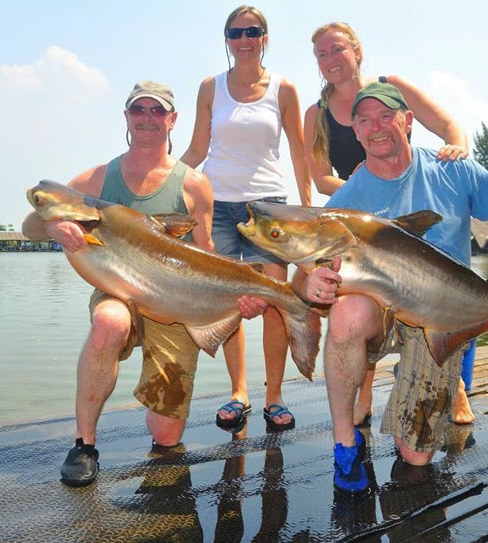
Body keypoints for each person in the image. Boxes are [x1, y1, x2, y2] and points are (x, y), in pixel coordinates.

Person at [300, 82, 488, 493]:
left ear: (408, 121)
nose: (376, 127)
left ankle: (421, 394)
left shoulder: (455, 168)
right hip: (382, 312)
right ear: (355, 133)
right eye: (365, 121)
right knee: (346, 313)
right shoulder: (346, 200)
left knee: (415, 454)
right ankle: (345, 443)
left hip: (441, 316)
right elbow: (309, 267)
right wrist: (310, 283)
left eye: (386, 116)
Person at [22, 81, 217, 487]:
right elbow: (29, 227)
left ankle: (161, 423)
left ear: (172, 120)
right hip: (117, 291)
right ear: (126, 118)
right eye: (138, 110)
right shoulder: (95, 180)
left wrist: (234, 301)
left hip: (173, 300)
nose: (147, 118)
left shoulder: (193, 183)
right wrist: (53, 224)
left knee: (166, 436)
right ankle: (84, 444)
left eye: (157, 111)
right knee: (108, 323)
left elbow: (208, 254)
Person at [303, 21, 475, 428]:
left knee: (445, 286)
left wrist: (457, 151)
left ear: (357, 51)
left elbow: (449, 126)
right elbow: (319, 177)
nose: (330, 60)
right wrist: (361, 186)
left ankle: (458, 386)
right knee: (362, 304)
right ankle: (363, 391)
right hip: (361, 220)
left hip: (416, 207)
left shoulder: (392, 86)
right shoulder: (317, 114)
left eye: (337, 50)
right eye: (321, 55)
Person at [180, 5, 311, 433]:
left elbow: (298, 152)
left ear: (265, 38)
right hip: (216, 206)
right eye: (236, 32)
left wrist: (305, 207)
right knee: (231, 302)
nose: (244, 38)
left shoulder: (285, 90)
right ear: (227, 39)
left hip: (268, 208)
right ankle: (239, 393)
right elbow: (198, 150)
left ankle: (275, 397)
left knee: (273, 301)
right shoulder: (209, 88)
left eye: (253, 31)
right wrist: (164, 183)